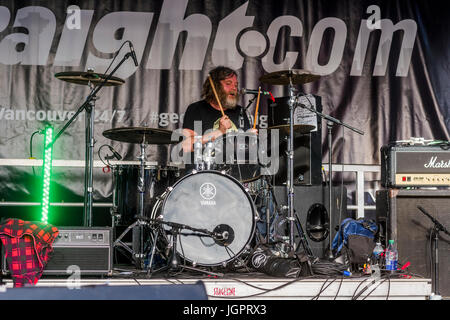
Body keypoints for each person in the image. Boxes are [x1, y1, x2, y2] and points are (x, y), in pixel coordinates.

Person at [181, 66, 256, 158]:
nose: (234, 88)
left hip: (234, 169)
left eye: (236, 85)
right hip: (205, 170)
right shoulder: (196, 109)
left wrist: (251, 139)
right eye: (228, 83)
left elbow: (244, 150)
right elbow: (187, 146)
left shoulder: (240, 111)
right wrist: (219, 132)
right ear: (215, 87)